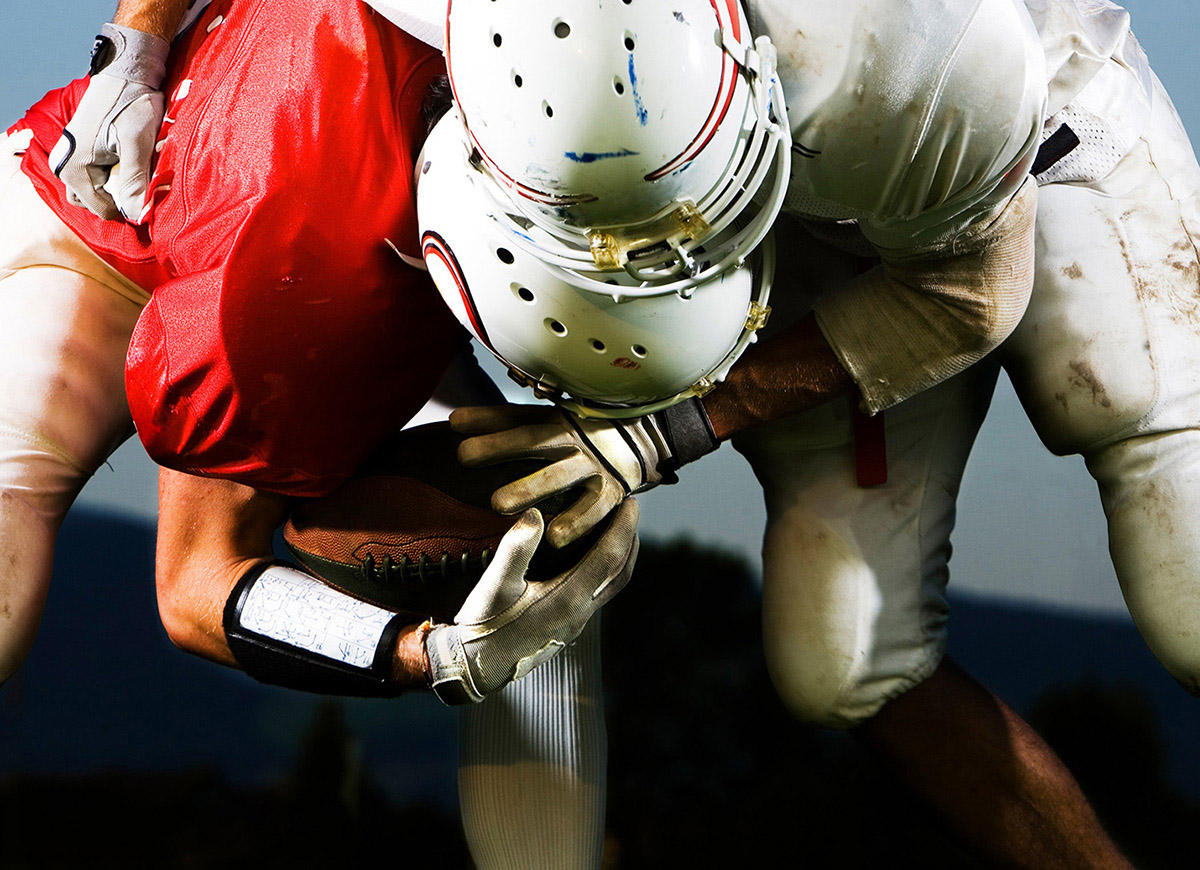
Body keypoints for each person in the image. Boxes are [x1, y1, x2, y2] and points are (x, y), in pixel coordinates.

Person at [417, 0, 1200, 865]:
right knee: (844, 662)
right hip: (797, 225)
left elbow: (970, 290)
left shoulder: (898, 47)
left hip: (1033, 132)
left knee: (1187, 578)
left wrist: (666, 432)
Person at [3, 1, 637, 866]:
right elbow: (193, 588)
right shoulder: (307, 259)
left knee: (544, 522)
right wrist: (426, 656)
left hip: (358, 237)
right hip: (101, 227)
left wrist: (664, 432)